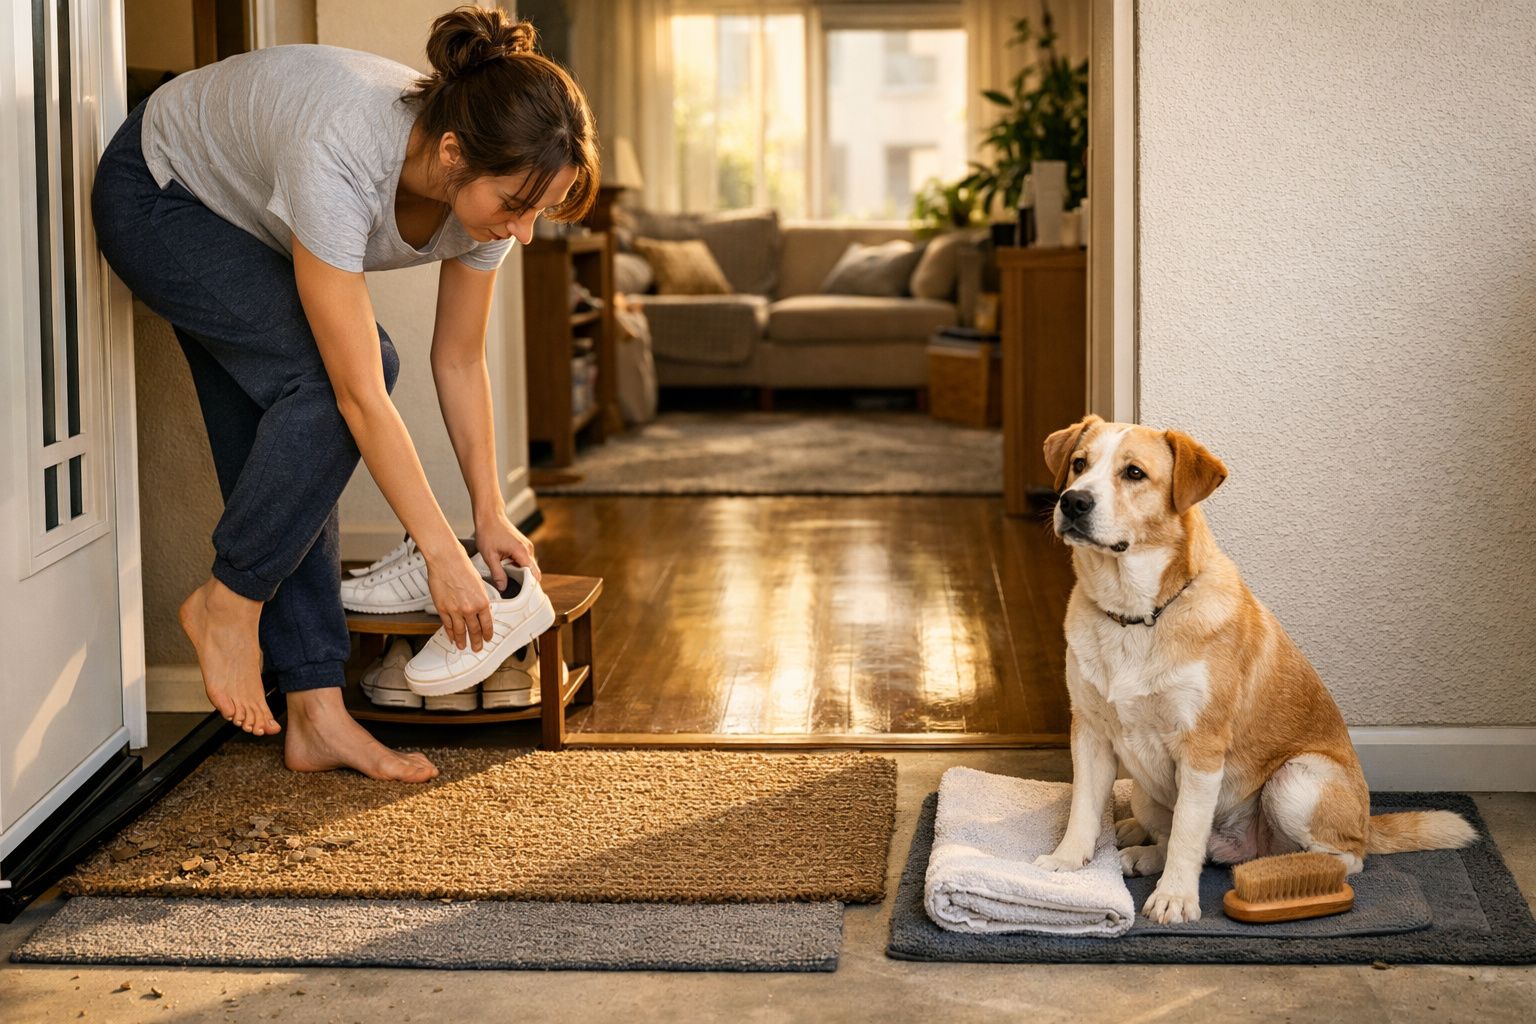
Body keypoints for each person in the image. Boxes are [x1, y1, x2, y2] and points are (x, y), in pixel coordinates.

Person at [92, 7, 598, 781]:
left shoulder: (486, 202)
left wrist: (488, 514)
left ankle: (316, 716)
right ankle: (229, 603)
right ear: (455, 153)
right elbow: (361, 392)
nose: (524, 232)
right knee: (341, 383)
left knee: (293, 444)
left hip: (243, 216)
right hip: (161, 197)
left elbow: (459, 361)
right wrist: (439, 552)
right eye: (517, 205)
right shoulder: (343, 150)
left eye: (541, 209)